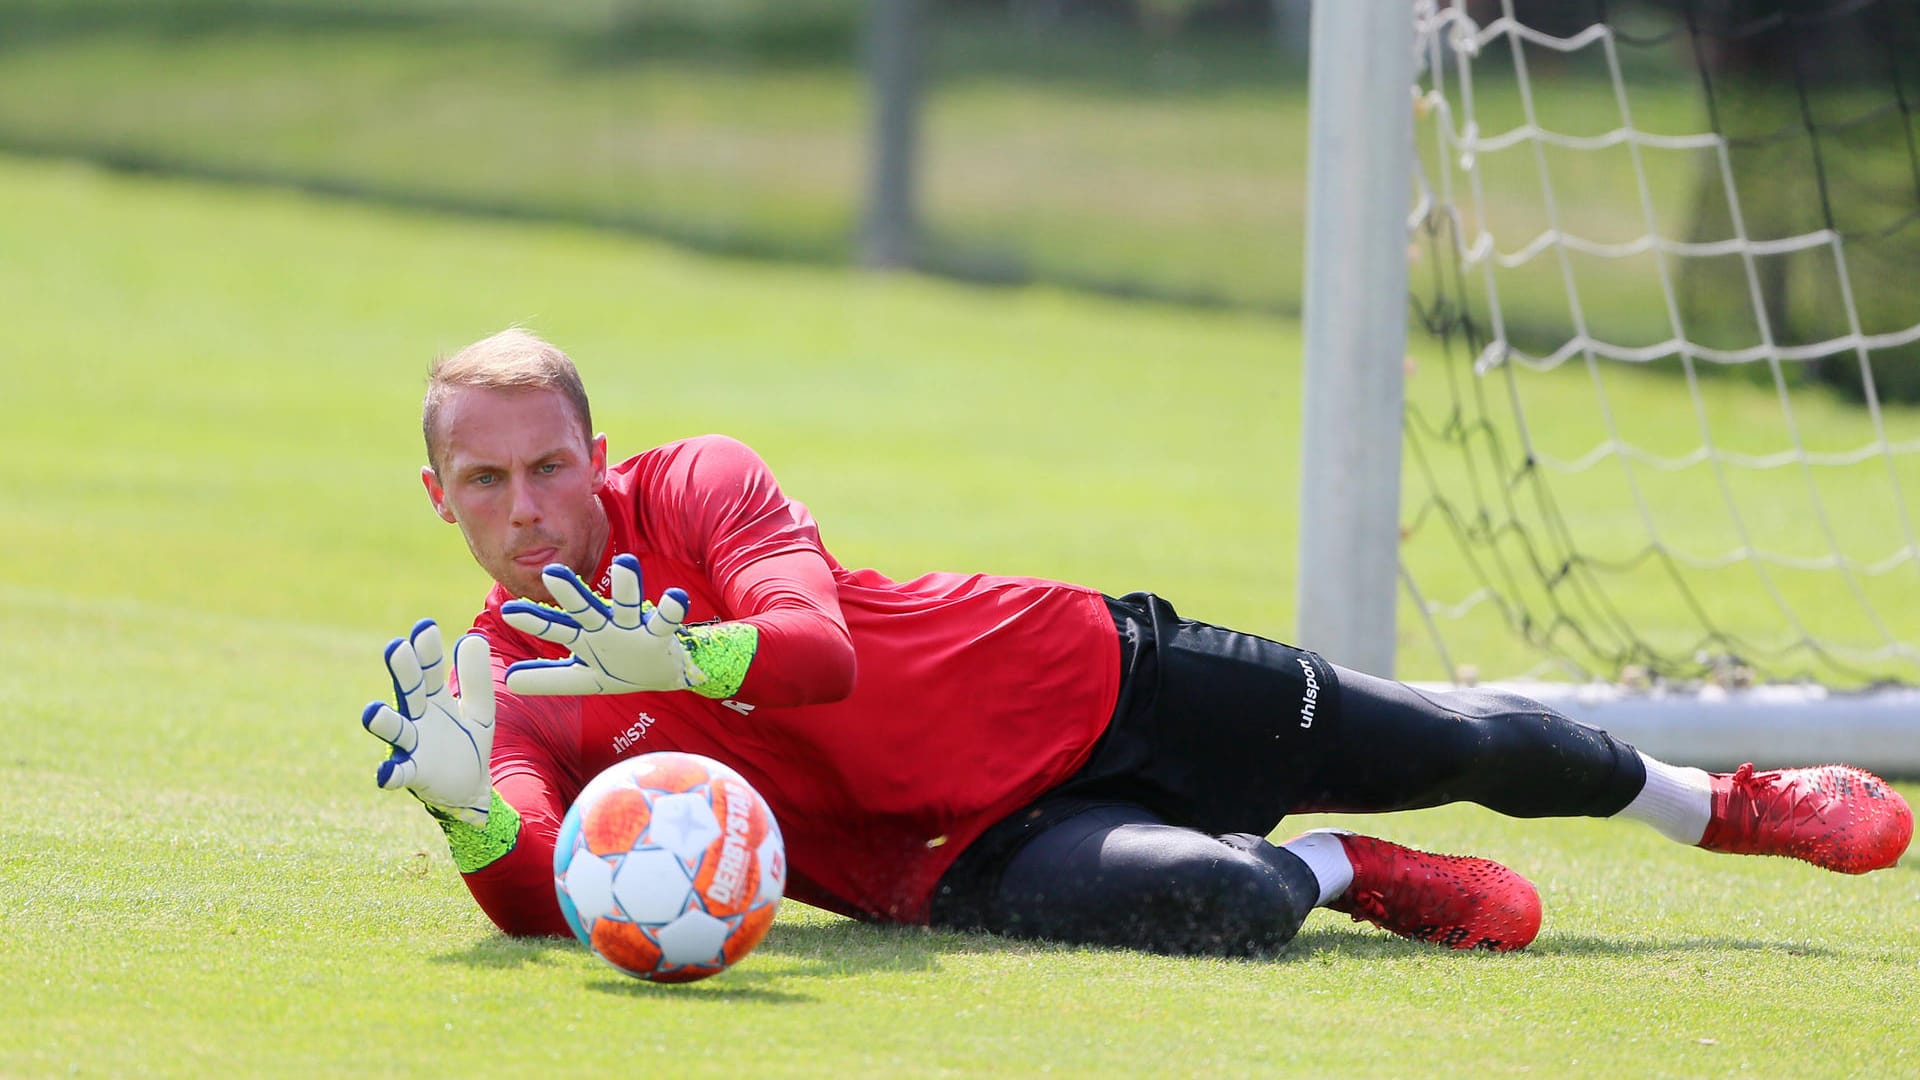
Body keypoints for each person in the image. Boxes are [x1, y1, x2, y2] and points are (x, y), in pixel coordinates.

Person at [360, 328, 1913, 957]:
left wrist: (689, 664)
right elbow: (543, 894)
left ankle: (1723, 805)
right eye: (485, 480)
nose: (526, 506)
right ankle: (1347, 869)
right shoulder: (505, 686)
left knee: (1455, 743)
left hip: (1086, 672)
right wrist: (477, 811)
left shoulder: (694, 481)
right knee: (1235, 908)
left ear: (595, 450)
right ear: (439, 497)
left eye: (547, 464)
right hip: (947, 854)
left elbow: (813, 647)